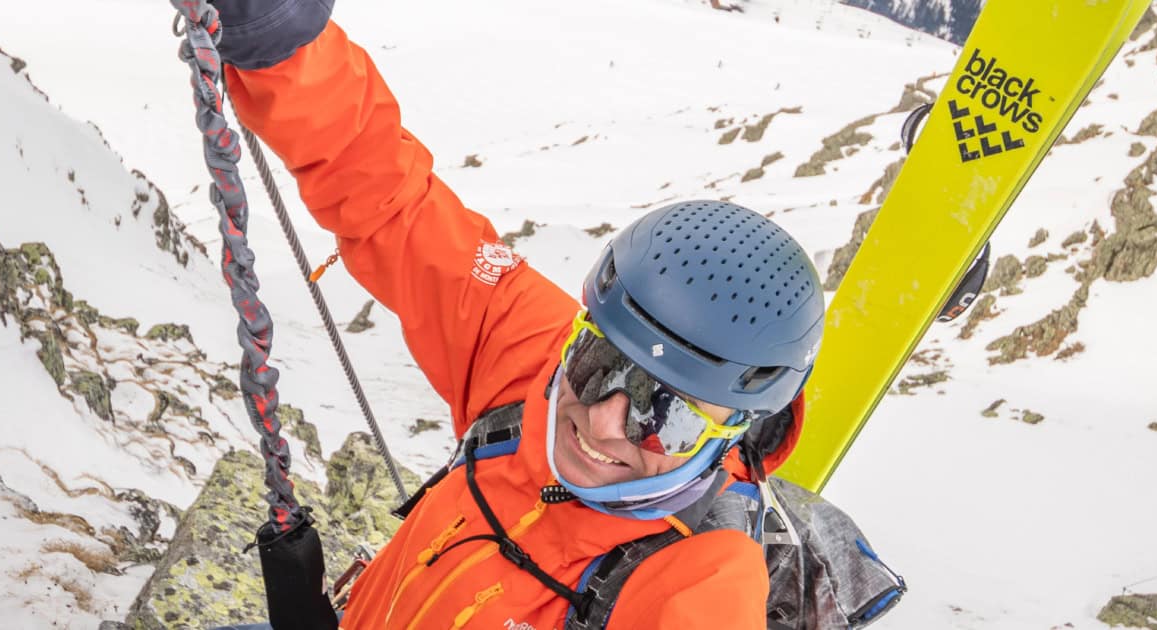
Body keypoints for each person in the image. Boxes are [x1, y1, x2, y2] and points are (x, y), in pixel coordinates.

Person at [211, 1, 824, 627]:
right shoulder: (536, 354)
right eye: (602, 364)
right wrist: (276, 36)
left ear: (733, 432)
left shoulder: (697, 586)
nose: (604, 421)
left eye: (665, 416)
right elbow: (390, 200)